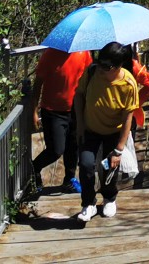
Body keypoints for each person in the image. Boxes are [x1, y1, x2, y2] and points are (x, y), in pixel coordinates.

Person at [70, 43, 140, 223]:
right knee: (86, 165)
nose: (101, 69)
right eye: (99, 63)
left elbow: (127, 118)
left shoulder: (128, 84)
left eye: (106, 67)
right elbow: (79, 95)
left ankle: (109, 197)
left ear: (119, 66)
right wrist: (79, 123)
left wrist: (118, 149)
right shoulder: (92, 72)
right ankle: (88, 203)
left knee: (108, 167)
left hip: (113, 132)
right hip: (90, 129)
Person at [27, 47, 91, 194]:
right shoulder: (50, 54)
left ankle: (69, 180)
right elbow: (38, 84)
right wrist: (34, 112)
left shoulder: (83, 52)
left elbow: (89, 77)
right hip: (52, 110)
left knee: (73, 146)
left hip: (76, 108)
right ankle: (34, 168)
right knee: (56, 150)